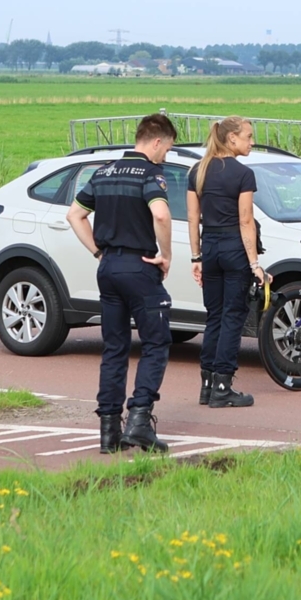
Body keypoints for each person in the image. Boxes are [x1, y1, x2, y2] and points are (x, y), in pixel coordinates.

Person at [66, 113, 177, 453]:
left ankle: (109, 431)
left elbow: (74, 214)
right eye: (167, 149)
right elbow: (161, 214)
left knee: (114, 348)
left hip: (108, 268)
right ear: (156, 141)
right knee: (156, 342)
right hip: (140, 267)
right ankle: (139, 420)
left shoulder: (103, 172)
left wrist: (98, 252)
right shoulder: (150, 173)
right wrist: (166, 254)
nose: (166, 156)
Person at [187, 116, 269, 408]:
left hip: (209, 247)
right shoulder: (243, 174)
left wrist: (196, 257)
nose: (252, 142)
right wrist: (254, 264)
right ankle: (223, 386)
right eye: (248, 136)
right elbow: (246, 220)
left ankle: (207, 386)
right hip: (234, 247)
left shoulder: (198, 170)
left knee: (214, 316)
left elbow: (193, 218)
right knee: (233, 317)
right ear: (232, 138)